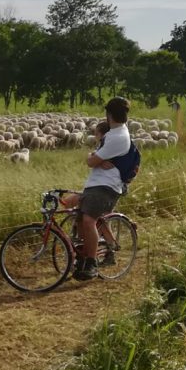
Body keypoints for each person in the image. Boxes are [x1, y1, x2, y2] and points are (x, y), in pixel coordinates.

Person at [75, 97, 132, 281]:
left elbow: (91, 161)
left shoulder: (117, 137)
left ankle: (91, 263)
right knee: (79, 219)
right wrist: (97, 159)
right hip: (96, 184)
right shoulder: (114, 133)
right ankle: (82, 257)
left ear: (109, 114)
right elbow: (95, 159)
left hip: (106, 187)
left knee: (88, 220)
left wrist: (95, 158)